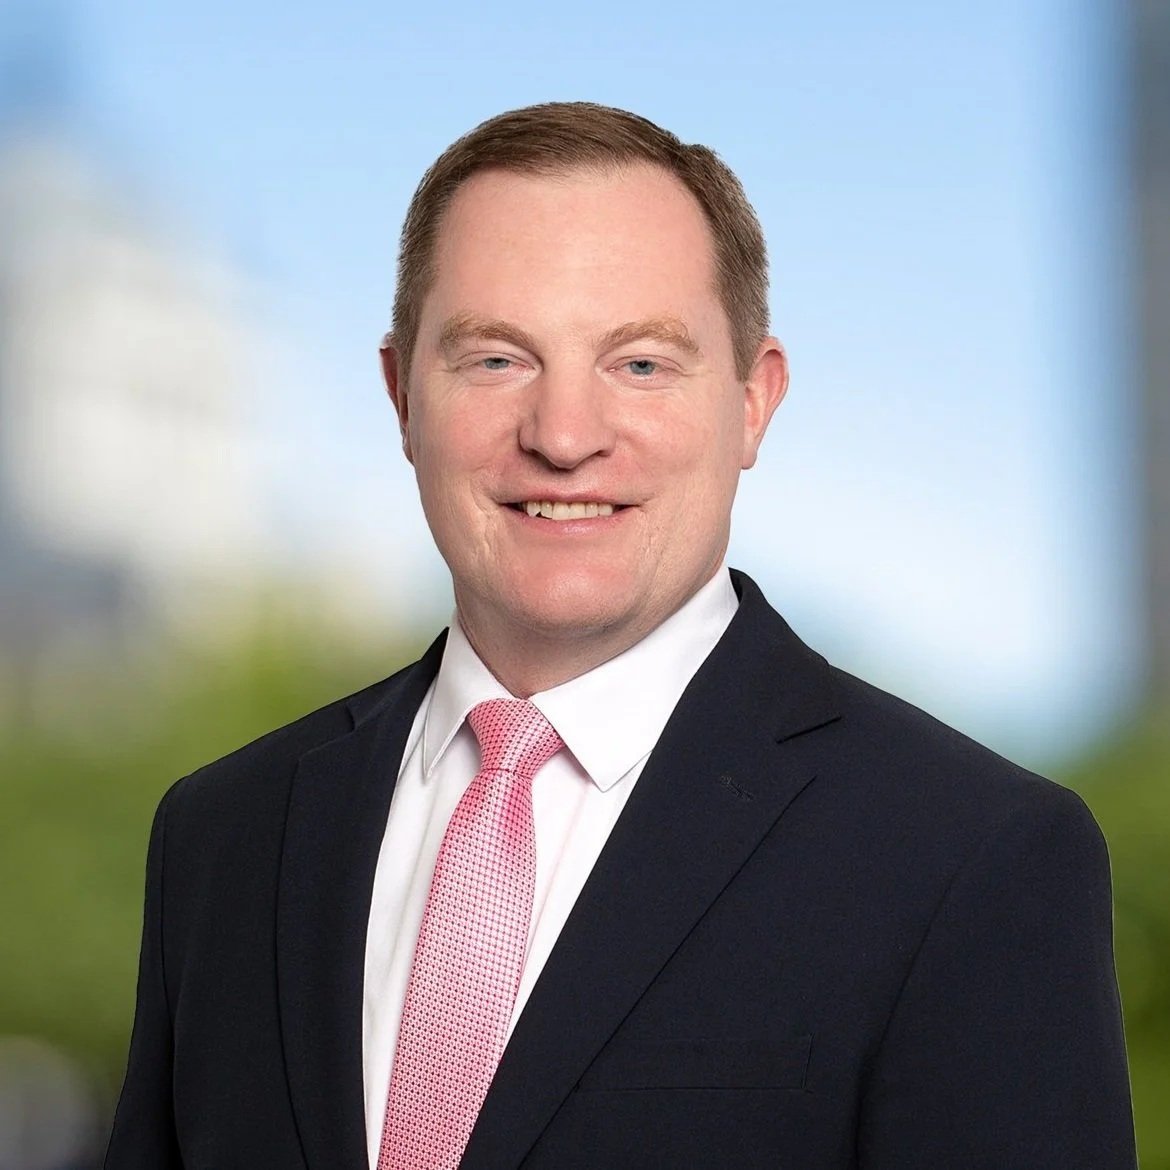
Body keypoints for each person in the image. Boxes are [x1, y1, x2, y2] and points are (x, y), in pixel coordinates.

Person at [105, 102, 1136, 1170]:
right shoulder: (222, 839)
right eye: (496, 359)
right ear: (402, 395)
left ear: (754, 402)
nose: (563, 436)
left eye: (640, 364)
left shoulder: (971, 857)